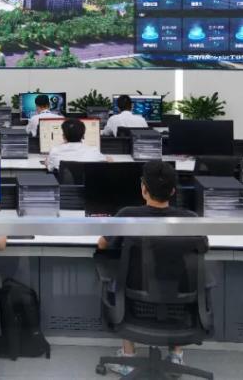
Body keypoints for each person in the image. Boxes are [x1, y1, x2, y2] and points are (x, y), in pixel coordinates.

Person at [96, 161, 207, 375]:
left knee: (123, 276)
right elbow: (204, 247)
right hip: (180, 306)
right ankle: (175, 357)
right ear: (173, 191)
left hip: (135, 304)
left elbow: (102, 244)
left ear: (143, 189)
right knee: (179, 277)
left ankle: (128, 357)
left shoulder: (128, 215)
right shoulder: (190, 220)